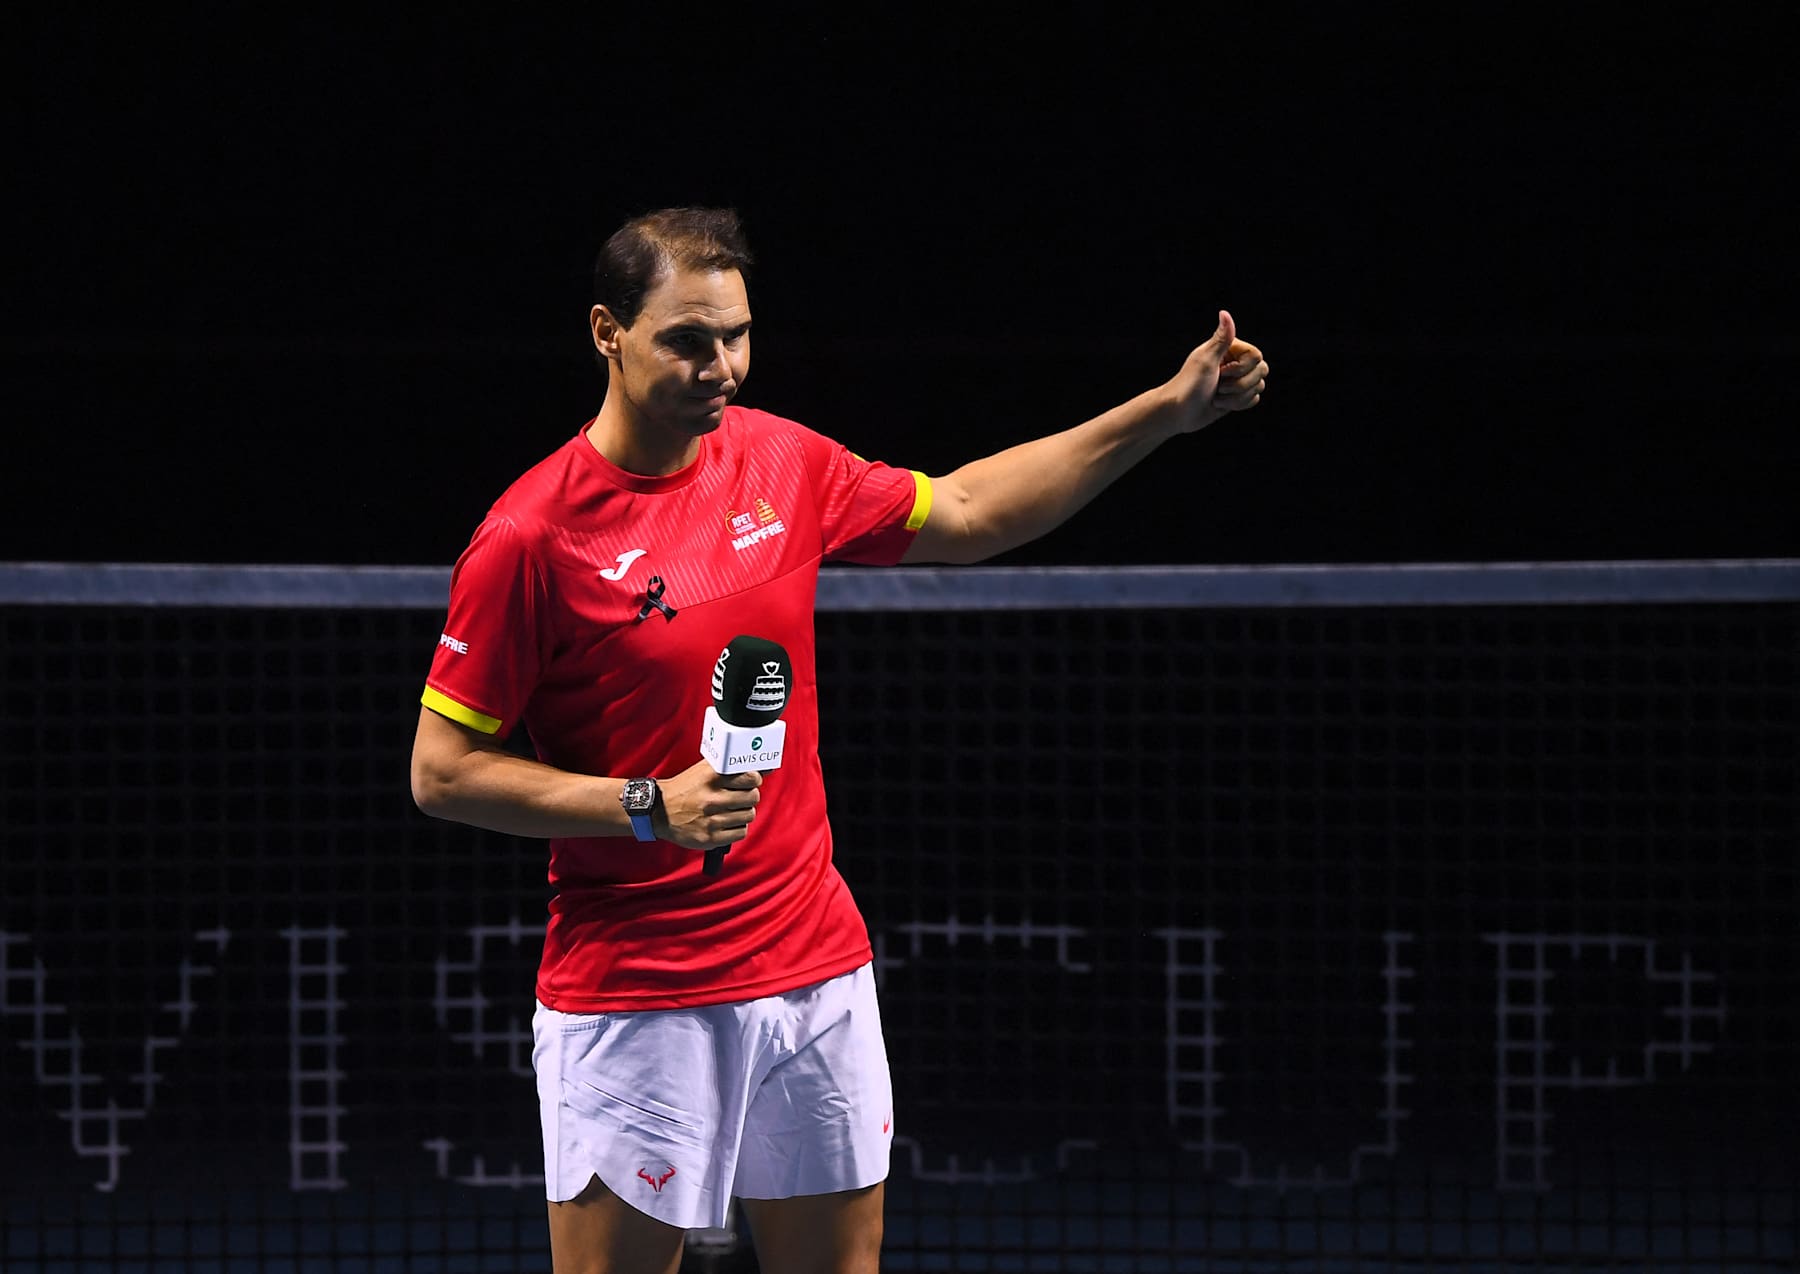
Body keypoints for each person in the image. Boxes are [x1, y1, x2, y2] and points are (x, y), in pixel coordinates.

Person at [410, 206, 1267, 1274]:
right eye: (686, 339)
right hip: (639, 991)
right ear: (606, 333)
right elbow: (441, 773)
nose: (720, 365)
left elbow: (965, 508)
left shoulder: (780, 462)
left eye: (736, 335)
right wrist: (644, 804)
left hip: (813, 970)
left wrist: (1162, 413)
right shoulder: (532, 537)